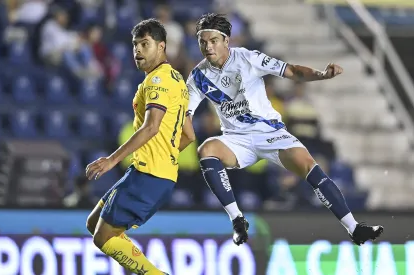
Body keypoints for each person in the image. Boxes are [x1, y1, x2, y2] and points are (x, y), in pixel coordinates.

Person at [180, 13, 383, 246]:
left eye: (213, 40)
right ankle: (237, 219)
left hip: (270, 133)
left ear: (227, 40)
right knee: (207, 149)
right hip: (236, 140)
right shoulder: (197, 76)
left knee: (309, 166)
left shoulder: (248, 58)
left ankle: (354, 228)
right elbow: (187, 113)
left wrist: (321, 75)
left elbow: (292, 71)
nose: (207, 47)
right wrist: (181, 138)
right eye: (202, 42)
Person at [85, 18, 190, 275]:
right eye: (135, 45)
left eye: (145, 44)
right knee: (94, 223)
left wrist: (111, 160)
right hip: (157, 174)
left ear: (162, 46)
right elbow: (188, 134)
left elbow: (151, 126)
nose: (138, 51)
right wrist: (166, 155)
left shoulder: (158, 81)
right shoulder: (176, 80)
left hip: (149, 174)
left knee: (103, 237)